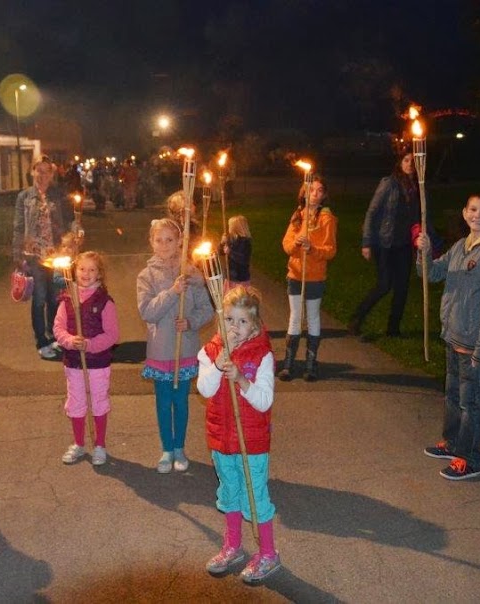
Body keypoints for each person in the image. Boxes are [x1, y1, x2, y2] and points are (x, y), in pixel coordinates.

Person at [417, 192, 480, 480]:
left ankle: (470, 458)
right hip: (452, 336)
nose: (476, 215)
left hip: (472, 344)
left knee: (472, 403)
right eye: (472, 209)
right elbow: (431, 275)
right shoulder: (460, 246)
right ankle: (453, 443)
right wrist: (424, 251)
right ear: (464, 211)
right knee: (453, 396)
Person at [197, 285, 280, 584]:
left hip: (251, 443)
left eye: (243, 321)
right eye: (230, 319)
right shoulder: (210, 351)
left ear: (255, 325)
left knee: (255, 498)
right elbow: (204, 389)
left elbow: (264, 400)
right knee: (229, 493)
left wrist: (242, 381)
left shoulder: (262, 355)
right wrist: (219, 366)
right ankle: (233, 546)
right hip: (221, 441)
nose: (235, 327)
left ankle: (268, 553)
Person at [137, 218, 214, 473]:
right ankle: (166, 449)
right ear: (151, 242)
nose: (164, 245)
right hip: (161, 350)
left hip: (185, 349)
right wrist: (172, 292)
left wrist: (191, 322)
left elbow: (207, 309)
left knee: (181, 401)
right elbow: (148, 312)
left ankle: (179, 448)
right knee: (163, 401)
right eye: (159, 240)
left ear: (179, 242)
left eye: (170, 240)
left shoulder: (191, 273)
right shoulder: (146, 276)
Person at [53, 251, 119, 466]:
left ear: (99, 274)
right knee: (76, 402)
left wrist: (90, 345)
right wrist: (71, 341)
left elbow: (112, 335)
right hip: (73, 362)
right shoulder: (66, 299)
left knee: (98, 401)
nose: (86, 273)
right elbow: (58, 328)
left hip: (98, 363)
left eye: (92, 269)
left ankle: (100, 445)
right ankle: (79, 444)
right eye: (82, 268)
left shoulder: (105, 302)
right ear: (75, 270)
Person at [349, 150, 420, 337]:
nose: (409, 164)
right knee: (384, 285)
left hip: (404, 244)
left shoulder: (418, 187)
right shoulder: (389, 183)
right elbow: (371, 212)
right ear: (400, 162)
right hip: (384, 243)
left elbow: (419, 216)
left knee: (402, 287)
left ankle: (393, 328)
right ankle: (357, 318)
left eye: (413, 161)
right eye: (406, 160)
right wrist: (366, 242)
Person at [12, 156, 76, 359]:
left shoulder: (59, 195)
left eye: (47, 171)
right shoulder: (24, 197)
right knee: (39, 299)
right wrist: (18, 255)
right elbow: (19, 227)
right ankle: (42, 341)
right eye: (38, 170)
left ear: (52, 174)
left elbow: (71, 221)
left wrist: (76, 233)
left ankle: (55, 336)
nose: (42, 175)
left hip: (57, 255)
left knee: (56, 298)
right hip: (34, 256)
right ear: (32, 172)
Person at [278, 175, 337, 382]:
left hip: (315, 277)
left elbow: (330, 250)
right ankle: (288, 363)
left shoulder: (326, 218)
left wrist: (313, 249)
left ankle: (311, 364)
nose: (315, 194)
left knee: (312, 317)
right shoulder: (298, 216)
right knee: (295, 317)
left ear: (324, 195)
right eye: (312, 190)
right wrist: (296, 244)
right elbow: (287, 245)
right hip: (295, 275)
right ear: (304, 192)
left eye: (320, 191)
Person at [222, 215, 252, 289]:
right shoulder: (231, 239)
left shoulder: (245, 242)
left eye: (230, 225)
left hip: (240, 278)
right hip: (231, 276)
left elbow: (243, 259)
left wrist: (230, 252)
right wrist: (222, 242)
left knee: (238, 298)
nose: (228, 227)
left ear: (235, 227)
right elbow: (221, 251)